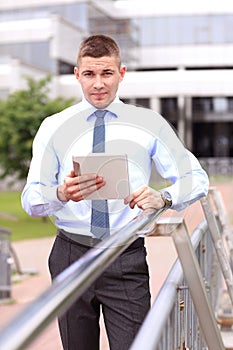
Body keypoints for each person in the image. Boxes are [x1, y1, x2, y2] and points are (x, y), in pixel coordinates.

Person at [21, 34, 209, 350]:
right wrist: (61, 193)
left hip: (125, 255)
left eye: (107, 73)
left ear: (121, 74)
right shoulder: (54, 127)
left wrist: (163, 197)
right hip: (70, 255)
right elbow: (31, 199)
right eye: (90, 74)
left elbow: (196, 178)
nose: (98, 84)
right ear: (77, 75)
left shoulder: (148, 123)